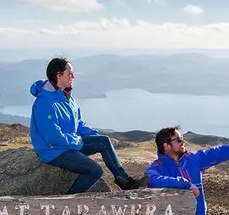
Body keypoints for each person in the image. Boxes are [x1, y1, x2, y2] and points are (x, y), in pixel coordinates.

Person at [29, 57, 148, 193]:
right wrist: (77, 141)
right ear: (58, 75)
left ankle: (126, 182)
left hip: (69, 144)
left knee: (103, 141)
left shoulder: (66, 96)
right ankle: (68, 199)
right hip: (53, 151)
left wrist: (93, 135)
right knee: (95, 170)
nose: (73, 76)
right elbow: (53, 137)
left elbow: (78, 124)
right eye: (70, 73)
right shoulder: (44, 103)